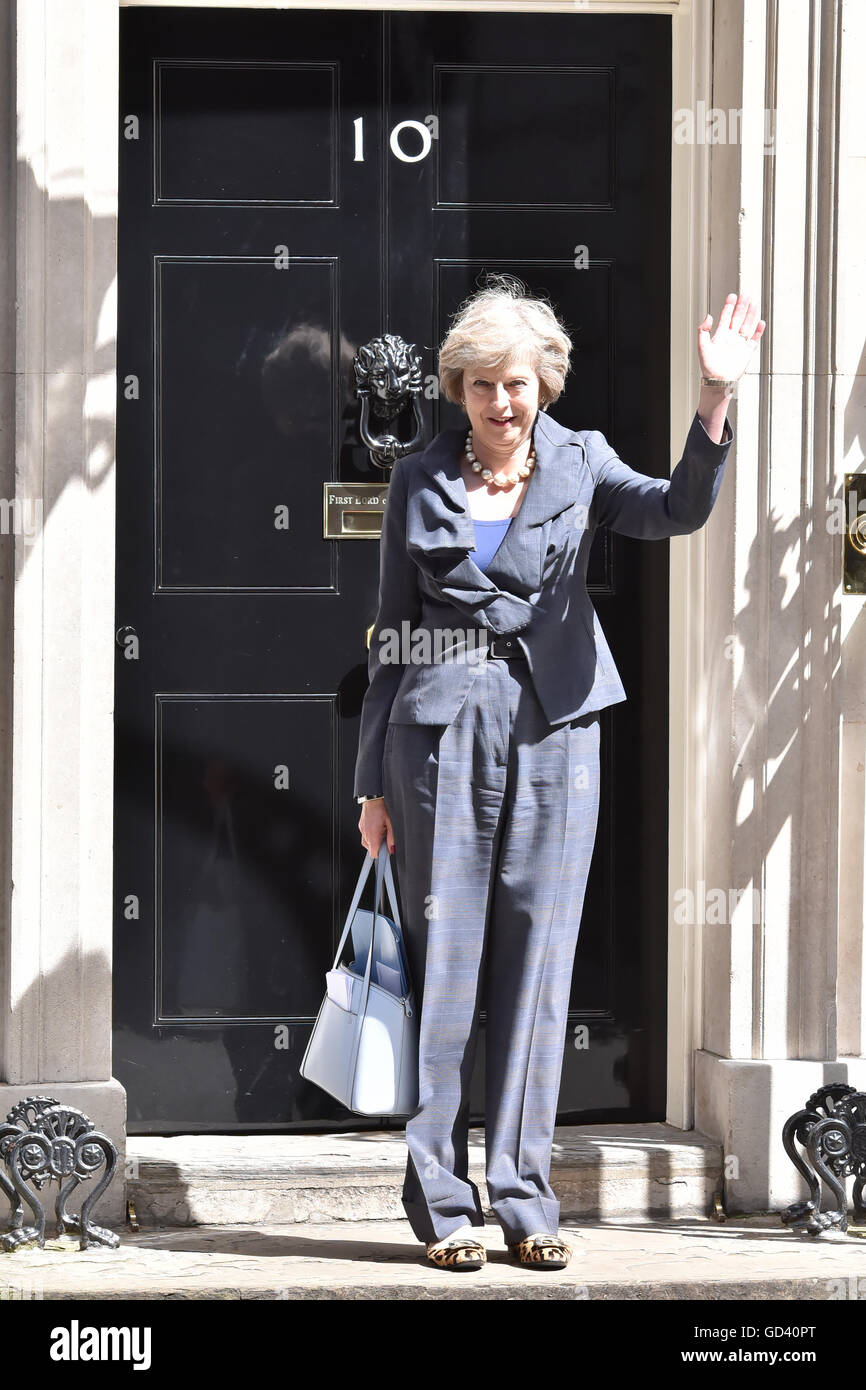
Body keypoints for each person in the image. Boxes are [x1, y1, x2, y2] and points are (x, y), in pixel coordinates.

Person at [354, 274, 764, 1270]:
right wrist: (371, 781)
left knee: (537, 968)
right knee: (445, 972)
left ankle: (527, 1202)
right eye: (483, 384)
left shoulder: (579, 462)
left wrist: (712, 400)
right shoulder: (417, 478)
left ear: (545, 383)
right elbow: (389, 634)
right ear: (456, 390)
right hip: (438, 737)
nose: (503, 402)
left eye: (519, 383)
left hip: (554, 732)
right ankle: (444, 1207)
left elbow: (674, 511)